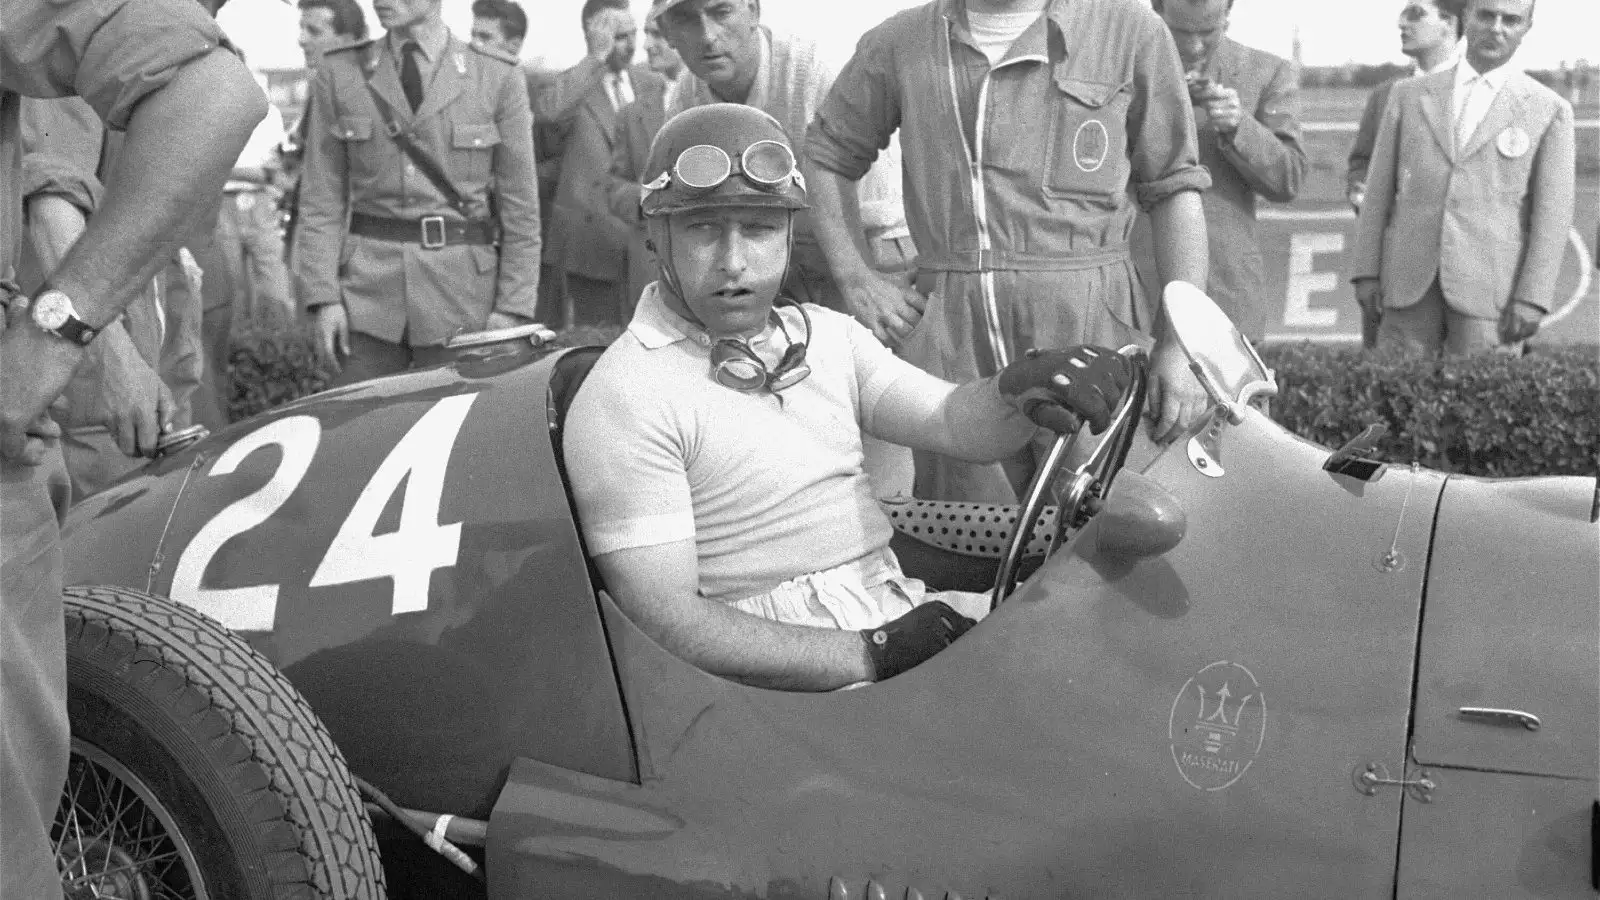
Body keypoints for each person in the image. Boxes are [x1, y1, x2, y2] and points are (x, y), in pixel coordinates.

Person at [563, 104, 1133, 692]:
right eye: (703, 228)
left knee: (1108, 645)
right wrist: (874, 654)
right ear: (656, 237)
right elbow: (667, 621)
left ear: (788, 233)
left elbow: (953, 422)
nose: (733, 261)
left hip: (892, 607)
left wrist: (1021, 387)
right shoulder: (627, 394)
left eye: (757, 228)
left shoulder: (825, 337)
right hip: (791, 678)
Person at [1, 1, 265, 894]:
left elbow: (204, 96)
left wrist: (66, 336)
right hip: (89, 361)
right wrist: (86, 343)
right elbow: (52, 193)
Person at [805, 0, 1211, 506]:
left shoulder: (1130, 31)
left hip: (1094, 322)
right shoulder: (900, 42)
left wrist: (1183, 344)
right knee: (973, 535)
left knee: (1114, 520)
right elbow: (826, 155)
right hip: (951, 336)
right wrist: (856, 277)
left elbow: (1175, 190)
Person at [293, 0, 542, 385]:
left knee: (456, 436)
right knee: (361, 435)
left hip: (464, 301)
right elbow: (320, 201)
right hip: (364, 301)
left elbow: (521, 210)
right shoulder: (340, 72)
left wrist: (512, 309)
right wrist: (323, 298)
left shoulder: (496, 75)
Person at [647, 0, 914, 314]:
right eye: (686, 18)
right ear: (667, 32)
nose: (707, 36)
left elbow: (882, 216)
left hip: (865, 248)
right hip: (766, 263)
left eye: (721, 12)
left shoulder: (816, 70)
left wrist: (868, 287)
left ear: (753, 11)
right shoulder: (683, 102)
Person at [1350, 0, 1575, 357]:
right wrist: (1366, 272)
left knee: (1481, 405)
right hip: (1408, 287)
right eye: (1486, 15)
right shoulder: (1407, 96)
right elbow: (1377, 191)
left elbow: (1552, 218)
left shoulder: (1548, 110)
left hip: (1491, 297)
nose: (1496, 28)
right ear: (1466, 18)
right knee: (1396, 400)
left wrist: (1532, 297)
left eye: (1511, 20)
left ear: (1527, 28)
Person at [19, 96, 206, 499]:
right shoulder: (64, 54)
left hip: (138, 338)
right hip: (83, 381)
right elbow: (51, 198)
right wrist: (113, 362)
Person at [1134, 0, 1305, 346]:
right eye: (1181, 33)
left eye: (1208, 32)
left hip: (1225, 290)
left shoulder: (1266, 71)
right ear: (1157, 13)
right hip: (1132, 286)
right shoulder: (1125, 66)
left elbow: (1289, 179)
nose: (1195, 46)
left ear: (1228, 16)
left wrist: (1240, 127)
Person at [546, 0, 662, 327]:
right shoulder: (572, 86)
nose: (631, 44)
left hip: (641, 242)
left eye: (632, 33)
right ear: (593, 34)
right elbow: (549, 112)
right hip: (591, 247)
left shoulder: (649, 83)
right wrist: (596, 57)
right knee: (599, 344)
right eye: (619, 36)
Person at [1346, 0, 1464, 215]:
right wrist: (1362, 196)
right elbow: (1362, 163)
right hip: (1398, 240)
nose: (1401, 23)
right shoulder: (1384, 95)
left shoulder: (1478, 92)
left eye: (1415, 14)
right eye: (1403, 14)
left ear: (1448, 22)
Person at [217, 71, 295, 323]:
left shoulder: (270, 114)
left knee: (273, 283)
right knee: (230, 286)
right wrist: (254, 173)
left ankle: (278, 347)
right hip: (223, 202)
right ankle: (235, 355)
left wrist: (231, 170)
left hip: (259, 201)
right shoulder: (213, 112)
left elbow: (272, 172)